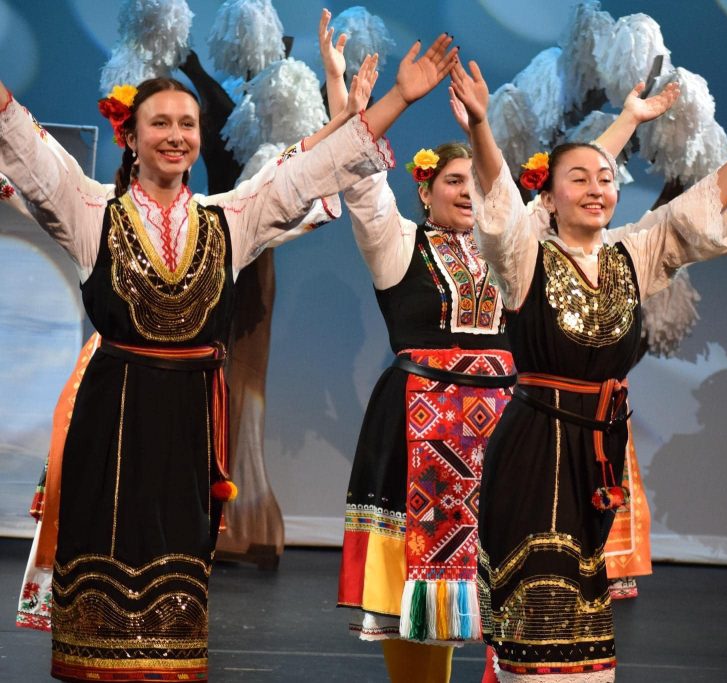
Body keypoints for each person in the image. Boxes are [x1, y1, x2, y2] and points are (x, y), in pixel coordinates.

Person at [0, 30, 456, 681]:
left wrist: (399, 100)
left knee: (175, 594)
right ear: (131, 137)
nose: (176, 135)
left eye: (187, 123)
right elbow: (23, 144)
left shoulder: (229, 219)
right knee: (103, 590)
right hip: (114, 423)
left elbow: (306, 175)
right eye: (160, 122)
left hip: (189, 427)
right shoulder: (90, 209)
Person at [451, 57, 727, 680]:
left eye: (606, 179)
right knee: (538, 614)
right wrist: (481, 127)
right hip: (536, 448)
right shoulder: (525, 257)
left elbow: (704, 202)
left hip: (598, 448)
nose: (596, 188)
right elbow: (497, 204)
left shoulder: (633, 252)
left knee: (585, 623)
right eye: (578, 180)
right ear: (547, 197)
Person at [337, 62, 680, 683]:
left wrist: (628, 119)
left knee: (518, 575)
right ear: (425, 191)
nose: (470, 191)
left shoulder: (519, 246)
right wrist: (351, 112)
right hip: (423, 437)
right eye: (454, 181)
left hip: (510, 432)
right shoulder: (398, 244)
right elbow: (362, 187)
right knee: (424, 592)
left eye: (477, 180)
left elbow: (571, 183)